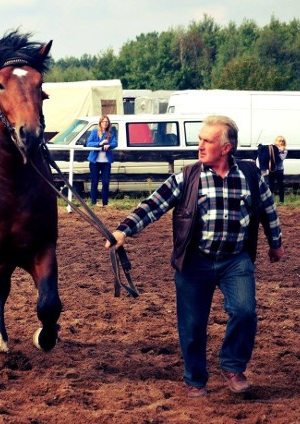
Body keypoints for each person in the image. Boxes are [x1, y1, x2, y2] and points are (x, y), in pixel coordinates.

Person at [106, 115, 284, 398]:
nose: (199, 146)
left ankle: (233, 367)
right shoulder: (187, 176)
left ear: (225, 148)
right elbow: (153, 204)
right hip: (194, 261)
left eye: (206, 141)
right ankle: (195, 380)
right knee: (192, 325)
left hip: (235, 260)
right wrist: (123, 231)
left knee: (244, 311)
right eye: (199, 140)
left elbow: (268, 210)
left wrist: (275, 243)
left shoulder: (250, 176)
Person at [86, 115, 117, 207]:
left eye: (107, 122)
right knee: (94, 182)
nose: (105, 123)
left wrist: (110, 145)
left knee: (106, 182)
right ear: (100, 123)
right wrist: (100, 143)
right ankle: (93, 202)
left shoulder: (111, 132)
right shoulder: (95, 131)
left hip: (106, 162)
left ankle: (105, 203)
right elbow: (89, 143)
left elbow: (115, 142)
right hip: (95, 162)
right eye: (103, 121)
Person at [268, 136, 287, 204]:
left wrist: (280, 151)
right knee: (271, 186)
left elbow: (281, 158)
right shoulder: (272, 149)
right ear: (276, 142)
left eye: (282, 141)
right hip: (272, 170)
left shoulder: (285, 150)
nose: (281, 142)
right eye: (280, 141)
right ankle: (270, 200)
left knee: (280, 185)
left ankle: (281, 200)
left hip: (279, 170)